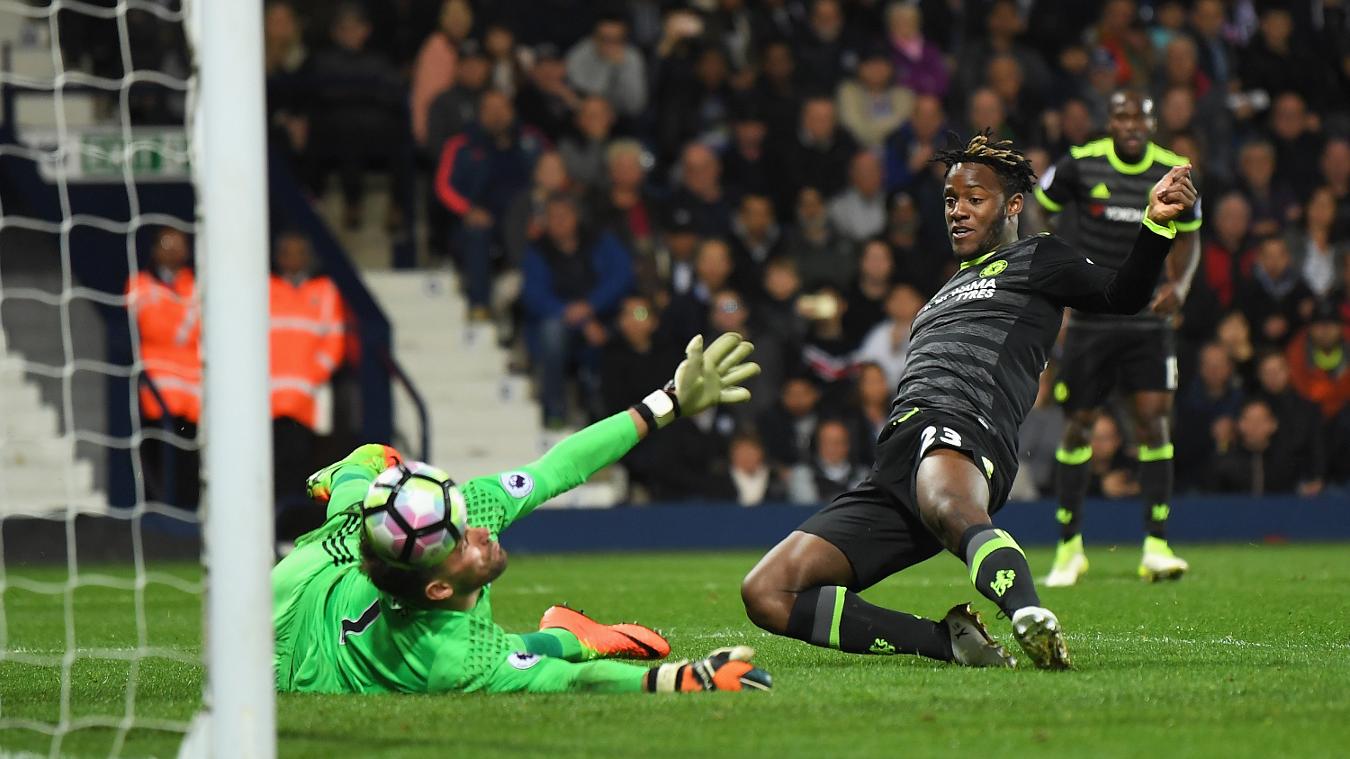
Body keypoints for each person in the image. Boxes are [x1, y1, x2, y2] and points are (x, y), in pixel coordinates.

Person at [740, 130, 1197, 670]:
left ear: (1012, 206)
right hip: (896, 461)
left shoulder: (1038, 258)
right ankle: (946, 642)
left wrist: (1156, 226)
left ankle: (1029, 614)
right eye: (951, 200)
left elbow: (1123, 295)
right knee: (766, 592)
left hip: (965, 426)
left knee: (949, 504)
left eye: (974, 199)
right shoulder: (943, 291)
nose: (957, 211)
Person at [274, 333, 773, 694]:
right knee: (513, 650)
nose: (480, 533)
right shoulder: (451, 660)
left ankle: (344, 474)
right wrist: (683, 679)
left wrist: (667, 402)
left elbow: (558, 467)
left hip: (324, 562)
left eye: (464, 520)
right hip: (283, 652)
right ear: (439, 588)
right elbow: (572, 680)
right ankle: (569, 635)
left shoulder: (435, 521)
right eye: (464, 544)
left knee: (369, 459)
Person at [1032, 92, 1202, 587]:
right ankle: (1069, 549)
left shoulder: (1174, 170)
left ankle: (1156, 545)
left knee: (1153, 421)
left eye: (1139, 117)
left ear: (1152, 123)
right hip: (1091, 317)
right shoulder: (1080, 165)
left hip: (1148, 318)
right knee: (1078, 425)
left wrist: (1181, 285)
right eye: (1122, 116)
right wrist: (1058, 267)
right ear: (1109, 122)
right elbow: (1040, 210)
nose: (1130, 125)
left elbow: (1191, 234)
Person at [269, 231, 347, 537]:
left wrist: (309, 378)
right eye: (287, 251)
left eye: (299, 251)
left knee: (303, 470)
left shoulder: (324, 290)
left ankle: (294, 533)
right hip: (266, 402)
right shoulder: (263, 289)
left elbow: (334, 342)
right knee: (268, 471)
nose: (293, 258)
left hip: (306, 402)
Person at [126, 226, 201, 510]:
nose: (176, 251)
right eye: (169, 244)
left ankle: (187, 520)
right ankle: (155, 520)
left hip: (191, 396)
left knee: (188, 464)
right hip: (154, 392)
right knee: (153, 459)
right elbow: (153, 327)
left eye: (181, 245)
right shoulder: (139, 283)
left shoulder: (196, 285)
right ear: (155, 249)